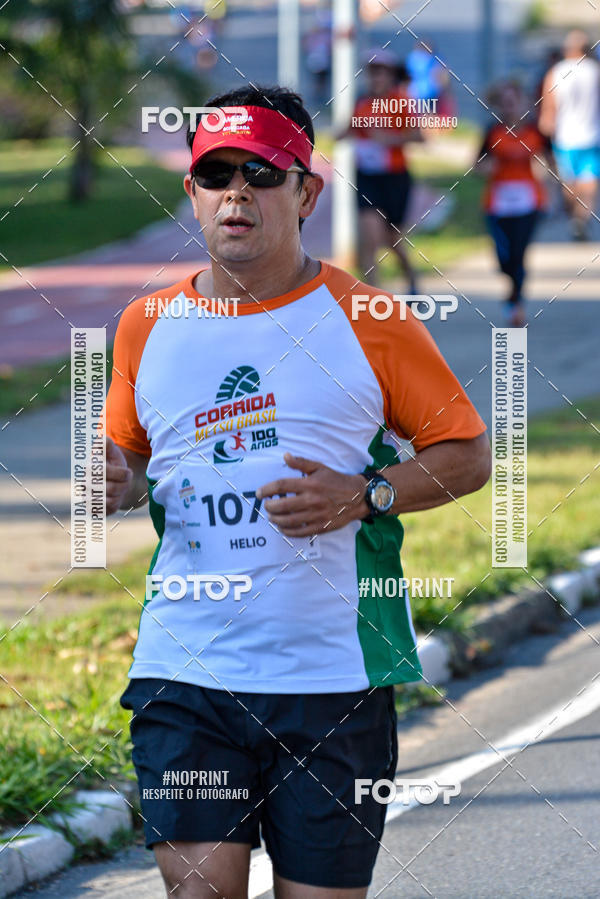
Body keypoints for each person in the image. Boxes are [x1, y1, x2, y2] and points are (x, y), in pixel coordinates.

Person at [105, 84, 491, 898]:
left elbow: (466, 453)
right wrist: (111, 479)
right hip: (188, 668)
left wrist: (365, 494)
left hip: (333, 680)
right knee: (198, 891)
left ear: (307, 191)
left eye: (262, 172)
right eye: (216, 173)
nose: (237, 191)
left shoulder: (369, 316)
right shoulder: (145, 325)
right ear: (193, 191)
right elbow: (131, 462)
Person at [342, 50, 421, 291]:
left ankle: (411, 276)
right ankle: (372, 296)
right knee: (370, 237)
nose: (376, 77)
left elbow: (418, 137)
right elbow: (349, 129)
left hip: (395, 177)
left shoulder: (401, 101)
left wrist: (389, 139)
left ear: (390, 76)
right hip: (366, 176)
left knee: (392, 238)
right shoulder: (362, 102)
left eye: (381, 72)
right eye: (372, 72)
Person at [477, 80, 553, 327]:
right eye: (506, 103)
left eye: (514, 102)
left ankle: (515, 302)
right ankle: (511, 287)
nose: (511, 108)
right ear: (500, 106)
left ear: (523, 103)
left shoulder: (536, 132)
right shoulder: (493, 132)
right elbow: (477, 165)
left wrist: (546, 171)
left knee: (519, 253)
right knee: (503, 255)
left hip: (528, 202)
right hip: (498, 202)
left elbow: (551, 163)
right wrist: (488, 167)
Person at [539, 29, 600, 240]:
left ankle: (575, 215)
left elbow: (549, 104)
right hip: (592, 134)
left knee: (568, 179)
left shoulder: (556, 71)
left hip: (565, 136)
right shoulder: (596, 71)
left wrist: (546, 124)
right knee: (590, 178)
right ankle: (582, 218)